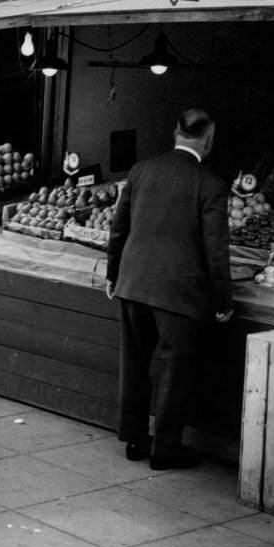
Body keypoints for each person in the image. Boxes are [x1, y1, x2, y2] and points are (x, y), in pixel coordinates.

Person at [105, 109, 233, 471]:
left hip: (134, 283)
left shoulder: (141, 170)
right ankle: (165, 448)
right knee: (172, 371)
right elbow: (216, 251)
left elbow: (119, 228)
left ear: (175, 132)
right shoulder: (210, 185)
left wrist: (114, 275)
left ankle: (134, 437)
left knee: (134, 363)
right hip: (178, 293)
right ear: (209, 140)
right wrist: (223, 300)